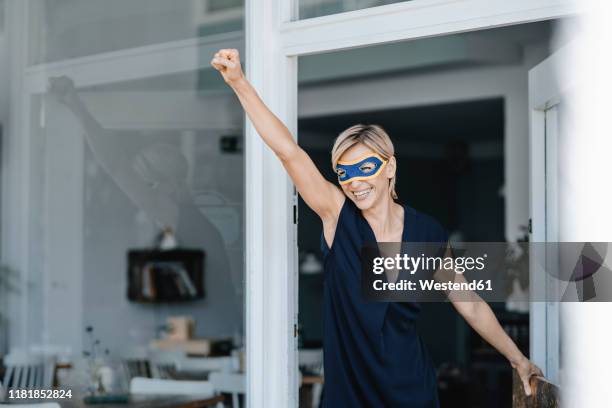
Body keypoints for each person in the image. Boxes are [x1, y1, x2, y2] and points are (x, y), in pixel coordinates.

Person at [211, 49, 542, 407]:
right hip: (350, 394)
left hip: (411, 389)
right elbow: (288, 151)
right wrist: (239, 83)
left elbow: (471, 304)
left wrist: (518, 359)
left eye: (365, 167)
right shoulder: (338, 216)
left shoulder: (426, 232)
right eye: (344, 172)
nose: (354, 181)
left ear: (389, 167)